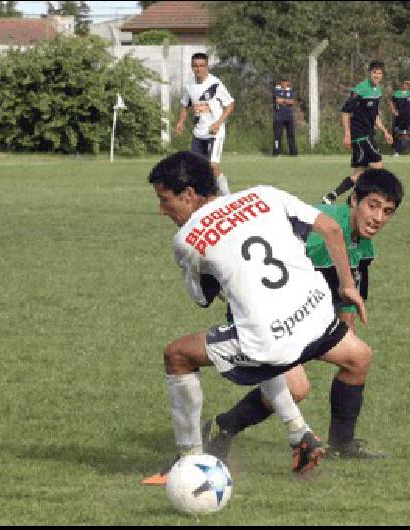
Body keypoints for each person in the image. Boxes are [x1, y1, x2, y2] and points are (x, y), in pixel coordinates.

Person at [141, 152, 374, 485]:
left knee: (178, 355)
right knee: (256, 329)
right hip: (320, 319)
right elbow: (332, 228)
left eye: (165, 201)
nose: (162, 210)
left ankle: (189, 460)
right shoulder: (264, 194)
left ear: (189, 194)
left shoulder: (187, 239)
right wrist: (348, 288)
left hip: (271, 341)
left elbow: (202, 298)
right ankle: (301, 435)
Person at [202, 168, 404, 462]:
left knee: (358, 357)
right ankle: (223, 427)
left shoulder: (362, 241)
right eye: (373, 206)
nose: (378, 218)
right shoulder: (318, 237)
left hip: (299, 313)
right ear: (354, 200)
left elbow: (349, 293)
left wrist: (343, 334)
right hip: (261, 312)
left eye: (388, 212)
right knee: (296, 388)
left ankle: (342, 445)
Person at [321, 61, 393, 204]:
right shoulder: (360, 89)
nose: (377, 76)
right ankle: (358, 200)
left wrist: (385, 131)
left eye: (379, 73)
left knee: (359, 174)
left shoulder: (377, 90)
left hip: (367, 135)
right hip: (361, 136)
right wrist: (347, 135)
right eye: (375, 73)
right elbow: (346, 112)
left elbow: (375, 115)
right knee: (378, 169)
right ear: (369, 73)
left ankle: (333, 197)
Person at [175, 53, 235, 195]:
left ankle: (227, 197)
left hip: (214, 133)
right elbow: (185, 104)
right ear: (192, 67)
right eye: (195, 66)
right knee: (195, 166)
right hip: (199, 132)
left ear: (206, 66)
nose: (198, 69)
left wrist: (218, 123)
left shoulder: (215, 83)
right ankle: (206, 196)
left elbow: (230, 104)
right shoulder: (190, 85)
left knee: (213, 166)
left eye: (202, 66)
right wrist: (181, 121)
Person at [389, 80, 410, 158]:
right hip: (399, 117)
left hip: (409, 117)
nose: (405, 85)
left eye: (407, 84)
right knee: (398, 134)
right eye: (404, 84)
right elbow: (391, 102)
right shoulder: (396, 93)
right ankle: (396, 152)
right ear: (402, 85)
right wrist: (393, 110)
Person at [273, 77, 298, 156]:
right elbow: (278, 100)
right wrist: (287, 101)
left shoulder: (290, 90)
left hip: (289, 116)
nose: (284, 84)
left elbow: (293, 102)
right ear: (281, 83)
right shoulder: (277, 89)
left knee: (291, 135)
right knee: (278, 135)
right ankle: (277, 152)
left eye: (286, 82)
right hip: (279, 116)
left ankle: (293, 153)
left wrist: (284, 101)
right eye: (283, 82)